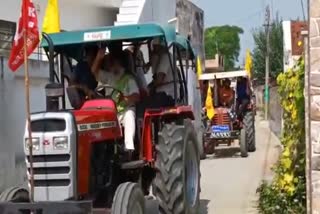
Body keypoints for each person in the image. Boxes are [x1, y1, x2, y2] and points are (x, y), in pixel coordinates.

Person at [98, 52, 140, 152]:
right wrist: (98, 57)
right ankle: (104, 150)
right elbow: (94, 72)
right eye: (112, 64)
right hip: (111, 112)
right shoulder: (108, 77)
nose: (113, 66)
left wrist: (124, 98)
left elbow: (136, 97)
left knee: (129, 116)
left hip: (125, 110)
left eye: (116, 64)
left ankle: (128, 148)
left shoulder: (129, 79)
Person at [148, 38, 177, 107]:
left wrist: (148, 88)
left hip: (167, 94)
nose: (153, 50)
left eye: (155, 47)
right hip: (163, 93)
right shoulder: (162, 57)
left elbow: (159, 80)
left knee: (143, 104)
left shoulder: (165, 57)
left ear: (160, 46)